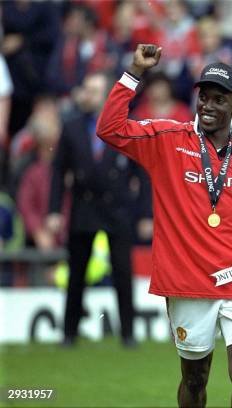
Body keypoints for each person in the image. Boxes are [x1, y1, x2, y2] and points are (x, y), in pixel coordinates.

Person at [96, 44, 232, 407]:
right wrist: (134, 72)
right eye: (203, 97)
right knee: (195, 379)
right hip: (188, 281)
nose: (207, 106)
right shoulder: (167, 139)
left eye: (218, 99)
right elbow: (109, 129)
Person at [47, 71, 149, 348]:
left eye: (94, 90)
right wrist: (54, 210)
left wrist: (145, 213)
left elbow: (142, 173)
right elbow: (59, 172)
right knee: (76, 272)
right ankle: (69, 333)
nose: (88, 95)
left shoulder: (125, 126)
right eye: (87, 89)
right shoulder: (71, 127)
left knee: (122, 272)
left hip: (118, 208)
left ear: (107, 96)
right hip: (84, 206)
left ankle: (128, 333)